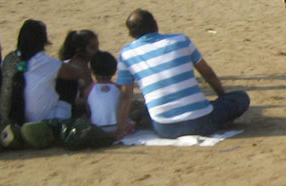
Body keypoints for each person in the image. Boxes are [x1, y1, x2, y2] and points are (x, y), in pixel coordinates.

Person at [114, 9, 249, 139]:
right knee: (240, 97)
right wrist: (222, 96)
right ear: (155, 23)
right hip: (201, 122)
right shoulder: (180, 40)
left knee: (146, 108)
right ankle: (221, 121)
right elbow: (208, 73)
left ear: (131, 33)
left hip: (164, 128)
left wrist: (120, 128)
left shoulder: (126, 54)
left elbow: (126, 95)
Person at [0, 20, 86, 127]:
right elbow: (77, 73)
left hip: (12, 122)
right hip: (45, 122)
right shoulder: (46, 62)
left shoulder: (9, 59)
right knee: (68, 82)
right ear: (43, 41)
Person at [56, 29, 98, 110]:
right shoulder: (81, 69)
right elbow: (90, 96)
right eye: (93, 48)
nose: (97, 51)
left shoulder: (70, 63)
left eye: (97, 46)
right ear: (80, 51)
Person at [84, 51, 121, 134]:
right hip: (117, 128)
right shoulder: (119, 88)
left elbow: (89, 111)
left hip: (97, 129)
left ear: (92, 71)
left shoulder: (88, 89)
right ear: (115, 70)